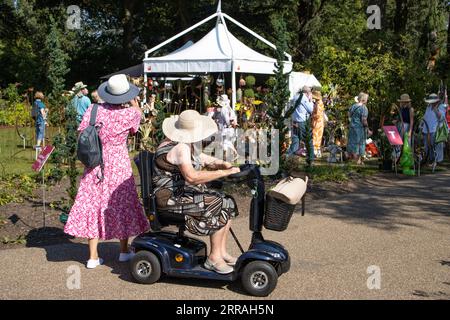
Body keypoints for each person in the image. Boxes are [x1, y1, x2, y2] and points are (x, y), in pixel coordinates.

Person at [64, 74, 149, 269]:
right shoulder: (130, 114)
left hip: (95, 163)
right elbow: (137, 124)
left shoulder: (93, 110)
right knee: (121, 203)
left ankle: (93, 257)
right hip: (118, 164)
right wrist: (134, 103)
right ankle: (124, 251)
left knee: (93, 205)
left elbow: (82, 132)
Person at [153, 110, 240, 274]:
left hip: (179, 195)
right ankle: (214, 258)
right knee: (217, 202)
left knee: (227, 201)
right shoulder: (180, 148)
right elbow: (192, 177)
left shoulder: (183, 144)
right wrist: (223, 173)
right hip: (170, 199)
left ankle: (221, 252)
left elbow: (204, 159)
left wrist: (224, 164)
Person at [287, 86, 315, 162]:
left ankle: (288, 158)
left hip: (295, 121)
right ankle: (311, 158)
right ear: (307, 92)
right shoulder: (304, 98)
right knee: (308, 140)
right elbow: (311, 110)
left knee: (295, 141)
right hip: (302, 122)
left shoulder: (295, 96)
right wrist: (310, 100)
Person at [422, 93, 448, 164]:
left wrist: (436, 109)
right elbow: (425, 116)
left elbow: (441, 118)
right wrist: (422, 124)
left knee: (436, 145)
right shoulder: (428, 107)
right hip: (426, 129)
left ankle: (438, 160)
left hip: (435, 129)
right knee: (427, 145)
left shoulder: (441, 106)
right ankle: (430, 159)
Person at [347, 92, 371, 165]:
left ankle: (353, 158)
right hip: (359, 128)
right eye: (366, 99)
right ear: (364, 99)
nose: (367, 100)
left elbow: (349, 115)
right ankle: (358, 160)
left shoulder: (353, 106)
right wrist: (368, 129)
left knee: (352, 143)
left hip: (352, 127)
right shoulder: (364, 108)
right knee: (360, 143)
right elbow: (364, 120)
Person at [215, 94, 238, 161]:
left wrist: (229, 124)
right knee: (225, 142)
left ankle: (234, 154)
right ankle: (225, 157)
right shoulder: (229, 108)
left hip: (226, 128)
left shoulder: (224, 109)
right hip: (230, 128)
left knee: (225, 142)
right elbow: (233, 118)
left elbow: (227, 120)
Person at [311, 90, 327, 158]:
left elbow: (317, 115)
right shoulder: (320, 103)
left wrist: (311, 115)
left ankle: (315, 152)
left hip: (317, 122)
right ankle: (317, 152)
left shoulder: (318, 104)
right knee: (318, 137)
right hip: (320, 122)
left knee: (315, 136)